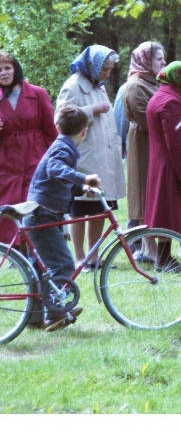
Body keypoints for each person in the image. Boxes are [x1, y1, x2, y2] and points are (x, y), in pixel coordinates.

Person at [23, 104, 101, 330]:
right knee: (63, 264)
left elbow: (57, 180)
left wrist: (80, 188)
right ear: (84, 131)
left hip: (41, 212)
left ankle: (34, 317)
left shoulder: (61, 145)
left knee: (40, 268)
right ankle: (56, 313)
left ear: (58, 127)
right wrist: (83, 178)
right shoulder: (64, 149)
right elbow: (55, 169)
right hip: (42, 214)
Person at [55, 45, 127, 269]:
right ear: (93, 66)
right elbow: (60, 119)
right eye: (104, 69)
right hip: (84, 156)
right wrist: (91, 109)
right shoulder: (73, 85)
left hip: (102, 156)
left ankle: (93, 257)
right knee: (79, 209)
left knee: (98, 207)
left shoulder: (98, 84)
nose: (107, 73)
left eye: (109, 69)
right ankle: (79, 259)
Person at [0, 51, 59, 247]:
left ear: (15, 69)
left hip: (35, 161)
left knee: (33, 209)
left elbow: (50, 132)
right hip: (6, 166)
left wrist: (56, 160)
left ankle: (34, 252)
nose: (3, 73)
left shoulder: (37, 93)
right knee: (8, 212)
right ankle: (14, 254)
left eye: (7, 68)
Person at [145, 61, 181, 273]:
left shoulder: (162, 96)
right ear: (180, 77)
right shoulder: (172, 102)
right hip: (170, 166)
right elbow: (177, 143)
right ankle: (164, 261)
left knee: (166, 213)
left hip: (161, 163)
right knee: (167, 213)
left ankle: (164, 259)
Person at [121, 41, 166, 263]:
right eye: (159, 59)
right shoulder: (136, 85)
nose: (163, 62)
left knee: (153, 193)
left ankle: (152, 248)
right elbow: (146, 120)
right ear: (146, 61)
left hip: (156, 143)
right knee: (144, 192)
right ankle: (149, 249)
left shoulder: (155, 83)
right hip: (143, 143)